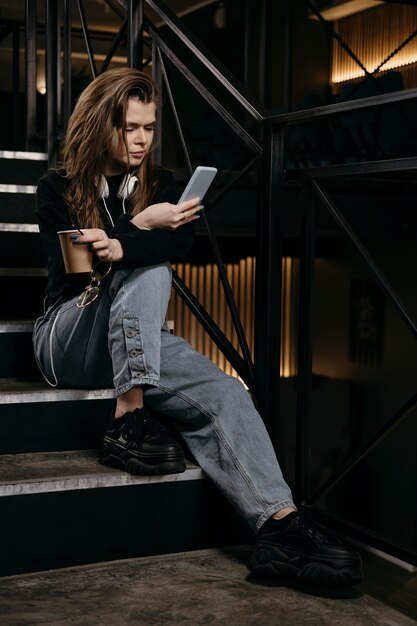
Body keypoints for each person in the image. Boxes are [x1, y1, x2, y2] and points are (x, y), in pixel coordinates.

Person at [33, 67, 362, 586]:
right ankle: (128, 419)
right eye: (129, 128)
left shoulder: (161, 185)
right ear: (101, 125)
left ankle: (279, 529)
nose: (141, 140)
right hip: (68, 336)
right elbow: (77, 277)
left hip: (135, 338)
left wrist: (123, 242)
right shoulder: (57, 187)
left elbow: (176, 245)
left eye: (149, 127)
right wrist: (139, 228)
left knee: (227, 392)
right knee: (146, 265)